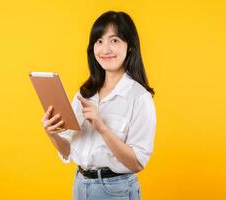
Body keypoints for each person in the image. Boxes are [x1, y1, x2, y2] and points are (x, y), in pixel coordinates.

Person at [41, 10, 156, 200]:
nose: (105, 49)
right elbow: (68, 151)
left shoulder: (139, 97)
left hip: (115, 191)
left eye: (115, 40)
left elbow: (137, 163)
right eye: (99, 41)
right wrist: (51, 133)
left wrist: (102, 128)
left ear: (130, 47)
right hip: (80, 185)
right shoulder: (84, 93)